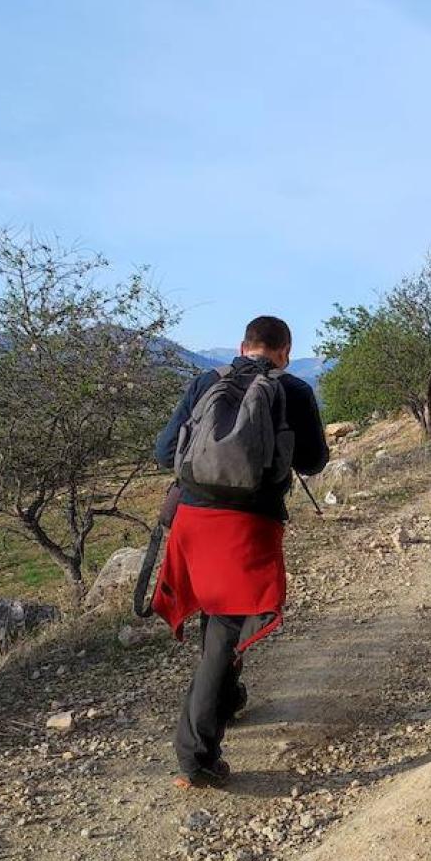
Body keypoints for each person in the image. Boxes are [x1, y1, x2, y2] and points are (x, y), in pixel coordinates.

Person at [151, 315, 329, 789]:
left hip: (191, 522)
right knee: (226, 630)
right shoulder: (293, 390)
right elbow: (314, 461)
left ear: (242, 346)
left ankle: (228, 700)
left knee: (217, 616)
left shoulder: (207, 381)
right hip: (249, 525)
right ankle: (196, 756)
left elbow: (165, 451)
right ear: (285, 352)